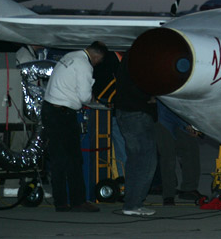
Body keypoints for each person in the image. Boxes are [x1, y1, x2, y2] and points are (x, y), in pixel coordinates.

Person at [42, 41, 107, 213]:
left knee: (58, 160)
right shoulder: (84, 65)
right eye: (99, 61)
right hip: (63, 114)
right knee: (74, 159)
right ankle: (78, 201)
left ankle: (61, 202)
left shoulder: (70, 55)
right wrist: (92, 99)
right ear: (97, 57)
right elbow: (85, 97)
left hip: (50, 109)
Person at [113, 54, 158, 216]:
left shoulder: (128, 60)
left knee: (134, 160)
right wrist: (151, 97)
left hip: (124, 112)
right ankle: (134, 204)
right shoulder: (141, 60)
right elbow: (144, 86)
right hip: (138, 112)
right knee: (146, 161)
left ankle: (131, 202)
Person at [155, 100, 203, 205]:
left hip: (181, 114)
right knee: (168, 157)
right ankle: (168, 194)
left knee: (191, 151)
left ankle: (189, 189)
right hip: (164, 115)